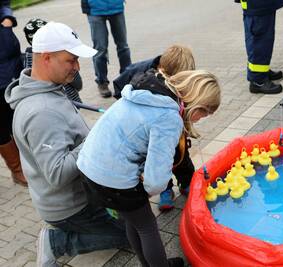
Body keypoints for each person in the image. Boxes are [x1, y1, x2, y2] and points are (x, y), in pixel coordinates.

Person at [5, 21, 131, 267]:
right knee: (132, 234)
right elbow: (58, 174)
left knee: (133, 219)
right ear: (46, 58)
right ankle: (57, 241)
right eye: (70, 60)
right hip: (70, 207)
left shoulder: (48, 88)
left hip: (78, 194)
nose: (76, 67)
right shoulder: (40, 111)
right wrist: (97, 137)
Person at [77, 69, 221, 267]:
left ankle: (149, 264)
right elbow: (157, 180)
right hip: (112, 176)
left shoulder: (148, 90)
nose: (200, 119)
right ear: (197, 104)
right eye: (204, 113)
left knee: (133, 220)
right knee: (147, 226)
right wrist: (149, 190)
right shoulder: (168, 117)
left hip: (89, 166)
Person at [113, 44, 196, 211]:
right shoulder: (138, 72)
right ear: (162, 69)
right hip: (149, 128)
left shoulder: (179, 75)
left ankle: (187, 182)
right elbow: (118, 86)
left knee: (181, 153)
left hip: (171, 120)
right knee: (158, 160)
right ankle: (165, 189)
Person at [23, 18, 83, 103]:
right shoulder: (43, 109)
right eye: (72, 60)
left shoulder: (27, 59)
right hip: (72, 100)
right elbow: (78, 84)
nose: (77, 67)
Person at [0, 0, 27, 186]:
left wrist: (7, 18)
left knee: (16, 115)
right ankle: (17, 170)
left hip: (5, 44)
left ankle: (27, 165)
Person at [81, 0, 131, 98]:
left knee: (123, 46)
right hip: (95, 9)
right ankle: (102, 82)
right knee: (100, 49)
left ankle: (127, 78)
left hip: (116, 6)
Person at [236, 0, 283, 94]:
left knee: (264, 40)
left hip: (262, 4)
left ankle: (262, 72)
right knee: (259, 41)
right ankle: (257, 80)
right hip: (257, 4)